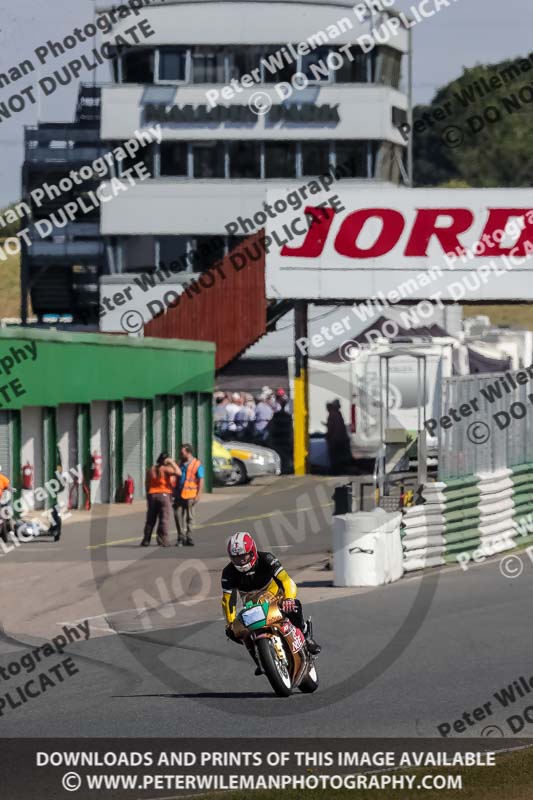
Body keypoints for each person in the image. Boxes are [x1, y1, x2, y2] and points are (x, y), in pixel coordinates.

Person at [221, 532, 321, 674]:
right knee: (236, 631)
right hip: (252, 605)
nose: (241, 560)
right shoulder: (228, 572)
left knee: (294, 606)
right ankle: (260, 659)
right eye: (236, 557)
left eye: (244, 556)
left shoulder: (267, 559)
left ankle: (306, 637)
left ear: (253, 552)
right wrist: (230, 623)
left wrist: (288, 598)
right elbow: (228, 600)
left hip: (276, 597)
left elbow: (286, 580)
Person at [141, 452, 181, 547]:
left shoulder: (151, 469)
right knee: (164, 519)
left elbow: (147, 484)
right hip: (164, 495)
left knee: (150, 519)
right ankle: (163, 540)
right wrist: (172, 462)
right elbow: (179, 472)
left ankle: (146, 539)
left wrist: (148, 497)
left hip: (152, 495)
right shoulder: (166, 469)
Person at [173, 444, 204, 546]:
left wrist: (198, 495)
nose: (180, 454)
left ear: (188, 452)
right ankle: (180, 537)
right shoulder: (179, 463)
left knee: (190, 517)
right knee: (177, 515)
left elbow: (201, 480)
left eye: (182, 453)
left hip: (190, 494)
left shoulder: (197, 464)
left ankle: (189, 537)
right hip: (178, 494)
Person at [266, 396, 293, 473]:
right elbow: (290, 429)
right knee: (284, 457)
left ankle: (282, 469)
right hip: (284, 439)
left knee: (280, 456)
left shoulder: (277, 415)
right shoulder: (287, 416)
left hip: (278, 440)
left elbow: (271, 427)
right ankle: (285, 469)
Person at [325, 399, 352, 475]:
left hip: (335, 441)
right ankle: (340, 470)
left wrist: (327, 437)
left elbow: (331, 429)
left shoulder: (332, 415)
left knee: (334, 458)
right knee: (340, 458)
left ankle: (334, 471)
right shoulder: (338, 414)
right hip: (342, 440)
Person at [0, 466, 12, 544]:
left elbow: (8, 486)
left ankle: (8, 525)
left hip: (0, 500)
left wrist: (11, 489)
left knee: (6, 510)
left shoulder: (2, 478)